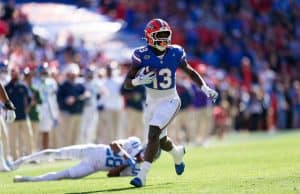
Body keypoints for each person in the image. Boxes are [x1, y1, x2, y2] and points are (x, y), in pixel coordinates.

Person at [123, 18, 218, 187]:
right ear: (150, 36)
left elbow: (190, 72)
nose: (165, 39)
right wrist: (138, 81)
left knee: (152, 134)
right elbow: (127, 83)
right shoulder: (141, 54)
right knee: (160, 140)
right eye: (161, 35)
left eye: (167, 35)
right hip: (151, 102)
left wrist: (205, 88)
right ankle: (177, 153)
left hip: (170, 100)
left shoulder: (175, 52)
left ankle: (142, 175)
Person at [11, 136, 155, 182]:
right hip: (94, 150)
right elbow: (114, 144)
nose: (144, 157)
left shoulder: (136, 169)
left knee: (60, 175)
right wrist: (127, 157)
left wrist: (126, 164)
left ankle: (25, 179)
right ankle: (24, 159)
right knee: (57, 152)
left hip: (92, 168)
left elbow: (110, 174)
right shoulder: (134, 142)